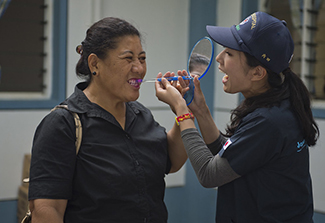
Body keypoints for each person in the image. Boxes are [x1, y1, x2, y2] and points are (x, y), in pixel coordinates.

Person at [155, 11, 319, 223]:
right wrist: (199, 108)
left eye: (230, 54)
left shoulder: (269, 122)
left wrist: (181, 111)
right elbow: (234, 156)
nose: (218, 58)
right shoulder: (278, 108)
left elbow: (209, 174)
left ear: (258, 73)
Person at [28, 17, 187, 223]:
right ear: (95, 64)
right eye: (128, 58)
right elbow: (46, 210)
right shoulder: (63, 124)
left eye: (142, 58)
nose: (139, 68)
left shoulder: (141, 115)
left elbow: (172, 161)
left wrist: (182, 110)